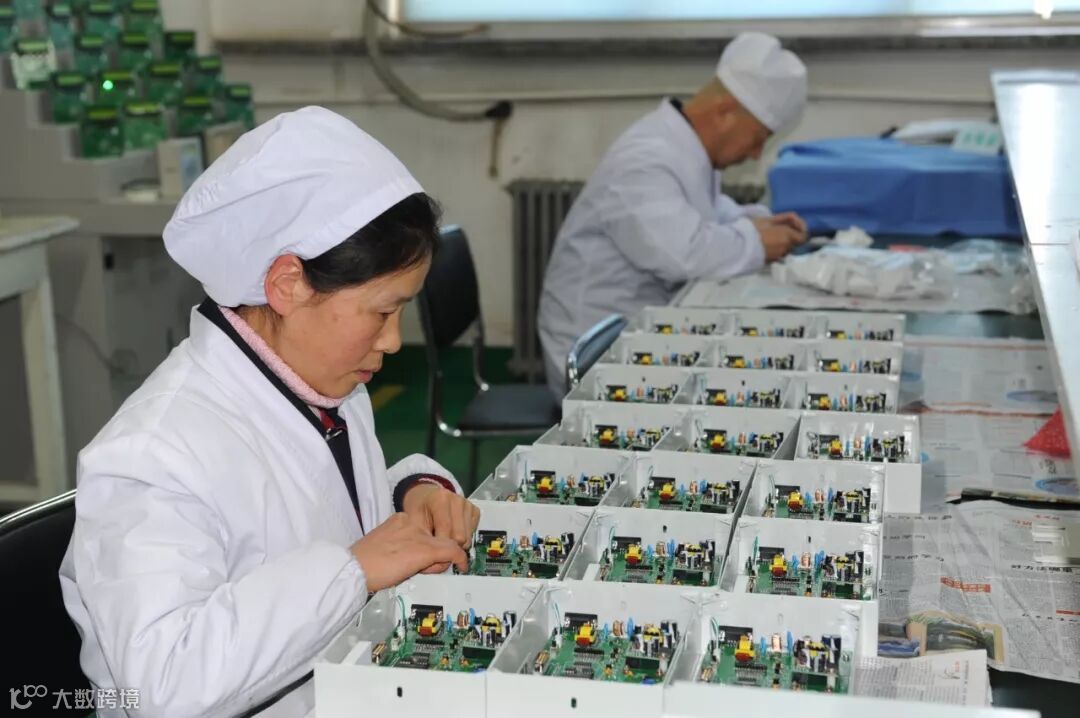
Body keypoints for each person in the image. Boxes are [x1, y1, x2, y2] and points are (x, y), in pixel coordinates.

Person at [59, 106, 481, 717]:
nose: (393, 340)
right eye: (383, 312)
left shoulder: (322, 382)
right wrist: (353, 574)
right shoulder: (150, 455)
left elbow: (315, 508)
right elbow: (164, 686)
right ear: (287, 284)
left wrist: (409, 491)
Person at [538, 32, 810, 396]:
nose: (756, 154)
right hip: (594, 353)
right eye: (758, 138)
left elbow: (704, 213)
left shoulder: (683, 148)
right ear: (725, 113)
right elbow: (684, 254)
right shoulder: (645, 159)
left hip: (640, 332)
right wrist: (757, 242)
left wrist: (755, 222)